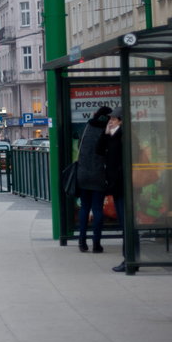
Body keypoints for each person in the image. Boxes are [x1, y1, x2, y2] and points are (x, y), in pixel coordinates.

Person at [75, 105, 112, 253]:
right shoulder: (107, 131)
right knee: (97, 209)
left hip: (83, 173)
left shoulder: (86, 127)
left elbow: (79, 146)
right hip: (99, 174)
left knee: (84, 208)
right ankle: (96, 243)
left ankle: (82, 241)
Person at [97, 107, 127, 272]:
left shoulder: (123, 136)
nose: (110, 121)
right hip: (116, 185)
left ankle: (129, 258)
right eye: (110, 119)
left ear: (121, 121)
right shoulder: (112, 135)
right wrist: (106, 133)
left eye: (114, 119)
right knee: (124, 222)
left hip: (123, 185)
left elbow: (118, 159)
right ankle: (128, 258)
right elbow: (99, 150)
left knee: (126, 223)